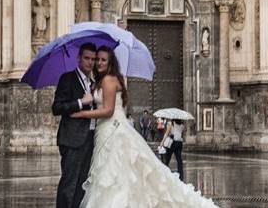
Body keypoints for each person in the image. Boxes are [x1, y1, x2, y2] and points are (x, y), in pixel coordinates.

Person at [71, 46, 216, 207]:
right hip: (111, 129)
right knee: (123, 173)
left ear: (110, 61)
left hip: (112, 130)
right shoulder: (108, 80)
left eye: (103, 59)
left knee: (113, 173)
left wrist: (82, 114)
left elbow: (108, 110)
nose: (98, 62)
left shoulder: (107, 80)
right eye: (97, 59)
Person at [51, 42, 97, 208]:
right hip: (71, 140)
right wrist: (80, 102)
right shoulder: (67, 78)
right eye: (87, 58)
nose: (90, 62)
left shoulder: (92, 82)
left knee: (82, 185)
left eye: (93, 59)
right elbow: (57, 107)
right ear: (79, 58)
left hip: (89, 139)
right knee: (69, 184)